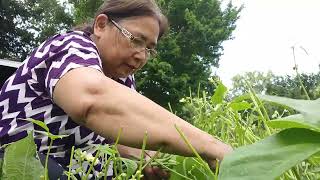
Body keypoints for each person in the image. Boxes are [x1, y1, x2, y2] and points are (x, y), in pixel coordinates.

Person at [0, 0, 232, 179]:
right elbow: (92, 100)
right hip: (15, 160)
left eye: (150, 49)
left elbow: (120, 140)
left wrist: (150, 160)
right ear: (101, 25)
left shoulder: (123, 81)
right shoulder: (72, 46)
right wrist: (210, 146)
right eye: (136, 40)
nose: (141, 56)